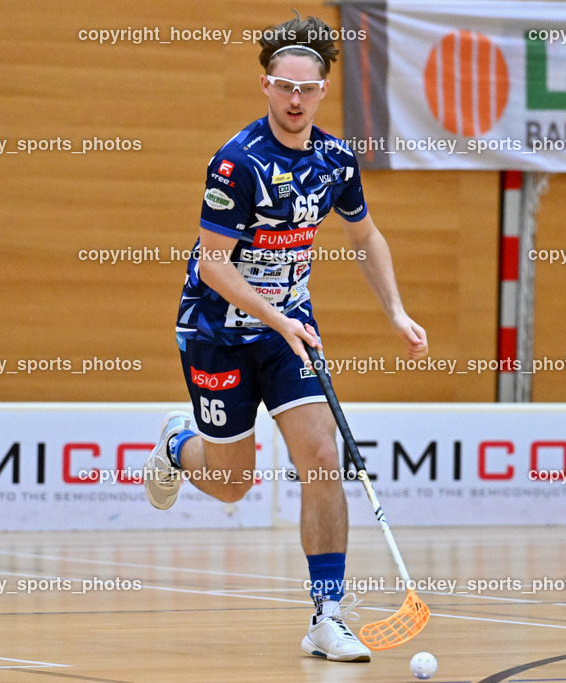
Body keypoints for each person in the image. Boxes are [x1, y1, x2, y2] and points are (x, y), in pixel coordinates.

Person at [144, 12, 427, 663]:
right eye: (284, 87)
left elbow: (365, 236)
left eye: (307, 89)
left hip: (288, 334)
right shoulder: (236, 163)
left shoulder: (335, 161)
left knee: (322, 455)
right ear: (266, 86)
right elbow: (214, 264)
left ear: (324, 91)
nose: (295, 100)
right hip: (217, 331)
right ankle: (177, 445)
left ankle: (327, 615)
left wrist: (395, 310)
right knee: (231, 483)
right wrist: (277, 316)